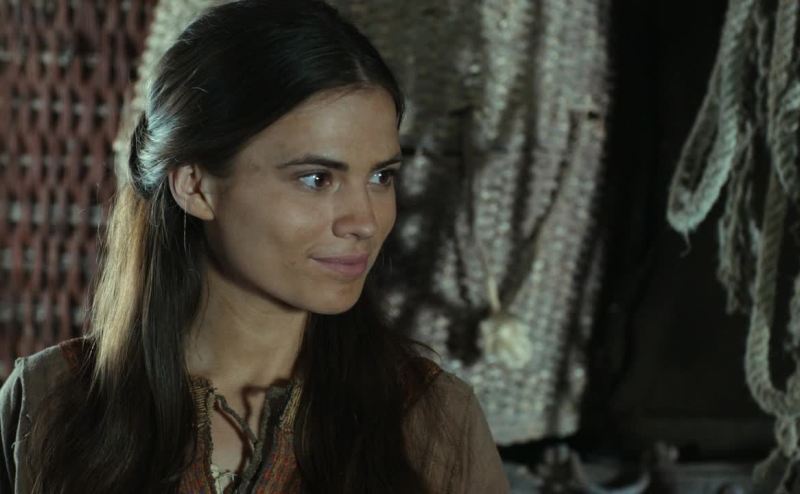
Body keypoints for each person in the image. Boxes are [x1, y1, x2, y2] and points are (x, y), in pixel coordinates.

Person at [0, 1, 510, 492]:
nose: (365, 221)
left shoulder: (432, 421)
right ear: (196, 187)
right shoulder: (47, 400)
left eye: (381, 176)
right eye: (316, 178)